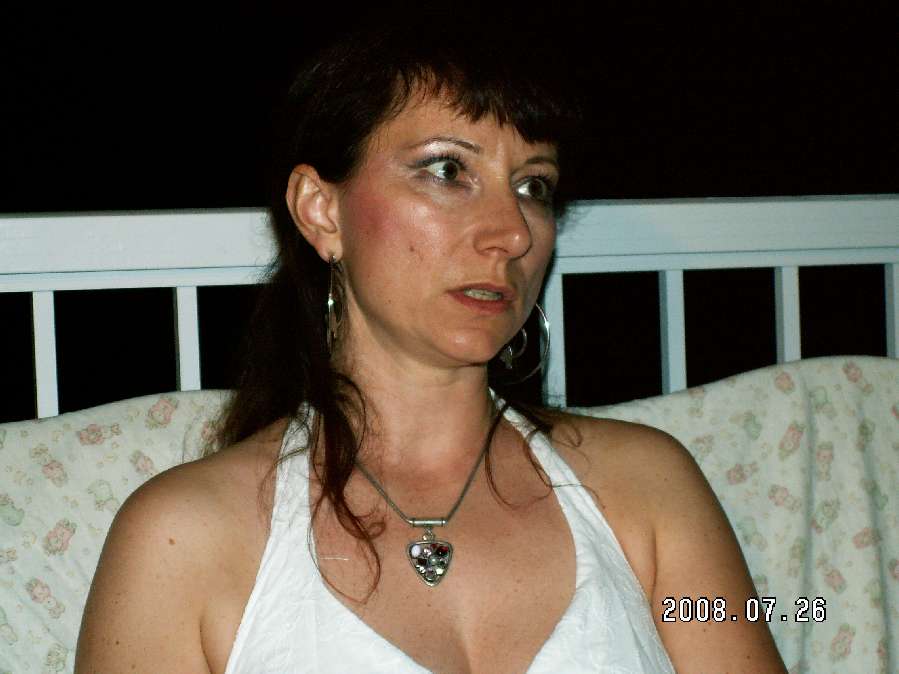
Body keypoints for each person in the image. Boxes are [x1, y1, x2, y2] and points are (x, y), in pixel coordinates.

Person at [75, 15, 787, 674]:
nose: (512, 232)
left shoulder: (648, 487)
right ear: (321, 212)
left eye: (533, 186)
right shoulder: (183, 539)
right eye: (447, 170)